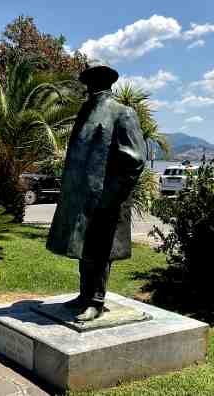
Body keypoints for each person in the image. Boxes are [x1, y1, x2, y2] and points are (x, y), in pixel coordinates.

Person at [46, 60, 146, 321]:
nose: (90, 85)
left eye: (94, 79)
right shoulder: (86, 111)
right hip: (83, 196)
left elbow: (134, 159)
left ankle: (97, 300)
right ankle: (84, 294)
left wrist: (111, 196)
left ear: (105, 81)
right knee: (85, 248)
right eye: (89, 79)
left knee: (100, 249)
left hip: (106, 198)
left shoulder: (122, 112)